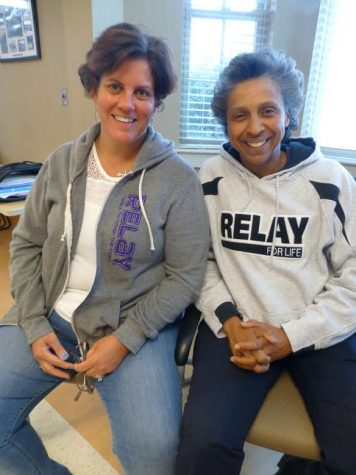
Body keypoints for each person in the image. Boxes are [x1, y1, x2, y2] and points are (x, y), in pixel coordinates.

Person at [0, 23, 209, 475]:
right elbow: (26, 243)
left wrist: (125, 340)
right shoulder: (60, 163)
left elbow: (186, 275)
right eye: (115, 86)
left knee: (154, 457)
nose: (128, 103)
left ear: (157, 102)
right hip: (51, 313)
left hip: (133, 325)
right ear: (94, 89)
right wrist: (34, 325)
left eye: (143, 92)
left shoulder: (179, 181)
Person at [176, 49, 356, 475]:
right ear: (226, 122)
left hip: (318, 333)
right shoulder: (209, 179)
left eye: (268, 111)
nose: (254, 128)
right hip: (238, 335)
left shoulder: (330, 180)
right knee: (202, 450)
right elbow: (197, 262)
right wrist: (230, 321)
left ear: (289, 115)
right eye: (240, 115)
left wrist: (292, 336)